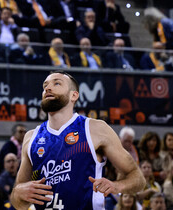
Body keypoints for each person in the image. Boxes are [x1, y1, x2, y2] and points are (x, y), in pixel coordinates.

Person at [9, 71, 145, 209]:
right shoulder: (31, 137)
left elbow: (137, 178)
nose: (48, 88)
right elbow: (17, 202)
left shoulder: (95, 129)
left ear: (74, 95)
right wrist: (18, 193)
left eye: (57, 83)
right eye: (45, 85)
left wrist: (116, 186)